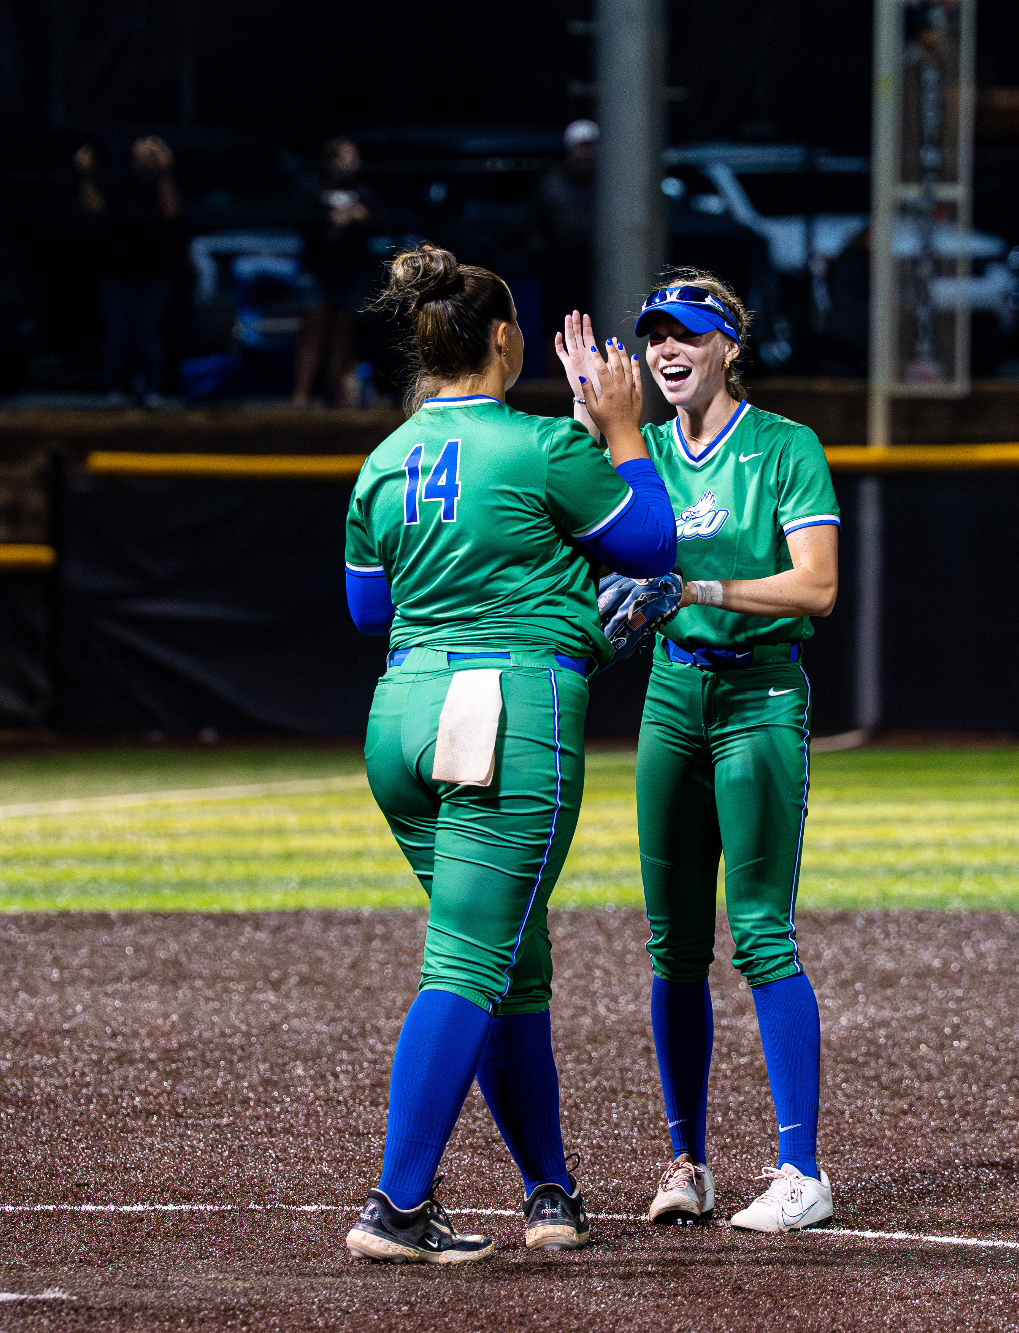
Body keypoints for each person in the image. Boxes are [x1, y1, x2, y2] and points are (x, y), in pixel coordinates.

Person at [341, 243, 677, 1263]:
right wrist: (623, 430)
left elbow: (368, 610)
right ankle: (396, 1206)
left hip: (402, 714)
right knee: (469, 961)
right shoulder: (536, 446)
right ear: (500, 337)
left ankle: (548, 1193)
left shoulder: (383, 459)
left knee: (508, 960)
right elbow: (652, 543)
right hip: (503, 710)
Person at [555, 271, 841, 1234]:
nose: (666, 349)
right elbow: (575, 529)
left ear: (729, 344)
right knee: (673, 944)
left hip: (759, 695)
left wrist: (699, 590)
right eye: (654, 335)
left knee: (761, 933)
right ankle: (688, 1161)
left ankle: (800, 1170)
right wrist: (586, 421)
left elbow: (817, 586)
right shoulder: (642, 454)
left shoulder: (783, 447)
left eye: (685, 332)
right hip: (673, 696)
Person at [76, 136, 184, 407]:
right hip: (118, 273)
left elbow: (172, 214)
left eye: (148, 156)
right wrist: (86, 174)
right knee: (117, 335)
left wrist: (164, 173)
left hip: (154, 274)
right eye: (138, 156)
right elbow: (95, 209)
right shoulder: (119, 185)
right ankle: (116, 389)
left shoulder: (163, 188)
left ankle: (151, 389)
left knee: (147, 335)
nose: (141, 161)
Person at [296, 137, 378, 407]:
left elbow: (375, 221)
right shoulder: (313, 190)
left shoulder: (364, 193)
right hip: (319, 270)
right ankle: (301, 395)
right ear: (330, 161)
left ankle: (335, 395)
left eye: (355, 157)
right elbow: (305, 224)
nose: (354, 163)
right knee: (313, 330)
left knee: (343, 332)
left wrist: (357, 218)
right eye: (346, 157)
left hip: (350, 271)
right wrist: (332, 219)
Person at [530, 120, 599, 326]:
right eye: (581, 148)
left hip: (597, 274)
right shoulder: (552, 186)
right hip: (560, 273)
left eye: (591, 148)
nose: (586, 155)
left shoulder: (610, 186)